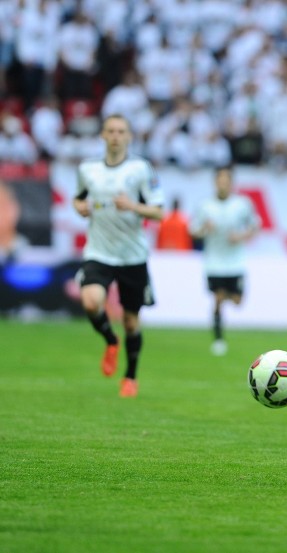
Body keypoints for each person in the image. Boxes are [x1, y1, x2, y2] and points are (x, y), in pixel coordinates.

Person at [73, 114, 164, 398]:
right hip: (99, 251)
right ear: (102, 135)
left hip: (132, 255)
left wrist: (133, 207)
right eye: (110, 130)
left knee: (131, 322)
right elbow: (79, 196)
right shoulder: (88, 169)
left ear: (128, 137)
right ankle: (110, 341)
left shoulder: (140, 169)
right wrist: (80, 207)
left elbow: (159, 211)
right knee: (91, 301)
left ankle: (130, 376)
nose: (115, 136)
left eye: (120, 131)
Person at [190, 165, 260, 356]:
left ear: (231, 183)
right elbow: (193, 231)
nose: (223, 184)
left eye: (226, 181)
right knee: (218, 298)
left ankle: (226, 300)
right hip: (214, 261)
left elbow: (255, 226)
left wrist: (241, 236)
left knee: (237, 301)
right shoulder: (205, 206)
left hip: (235, 261)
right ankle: (218, 339)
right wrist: (204, 228)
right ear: (215, 183)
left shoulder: (242, 204)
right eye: (220, 181)